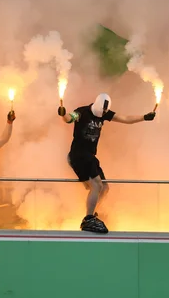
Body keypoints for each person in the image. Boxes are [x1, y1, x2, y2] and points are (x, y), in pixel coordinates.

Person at [58, 93, 156, 233]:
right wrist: (63, 114)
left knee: (104, 188)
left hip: (90, 156)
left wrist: (144, 117)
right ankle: (88, 218)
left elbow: (125, 118)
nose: (103, 114)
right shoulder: (82, 112)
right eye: (102, 112)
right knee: (96, 185)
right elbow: (70, 118)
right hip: (79, 155)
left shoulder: (104, 114)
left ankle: (92, 213)